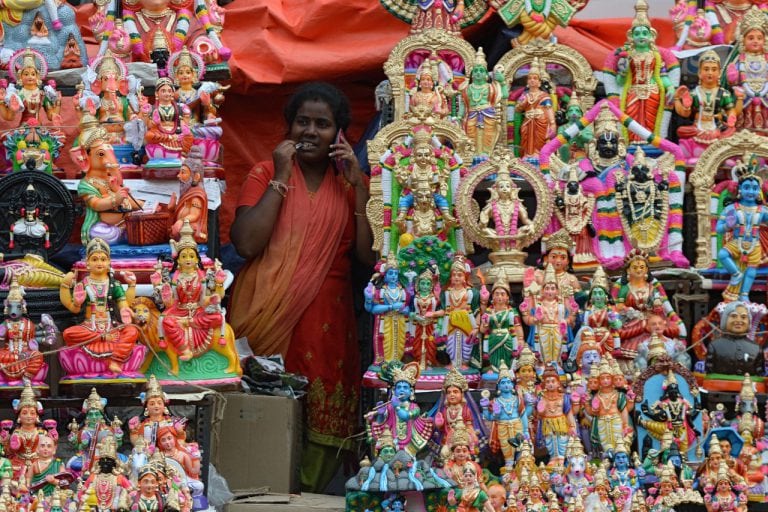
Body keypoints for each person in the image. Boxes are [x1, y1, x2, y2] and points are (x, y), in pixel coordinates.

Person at [229, 82, 374, 492]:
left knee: (320, 426)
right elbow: (246, 243)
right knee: (266, 414)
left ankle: (308, 495)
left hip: (329, 320)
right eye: (302, 122)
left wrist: (360, 187)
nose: (310, 131)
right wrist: (280, 176)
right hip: (265, 317)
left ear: (339, 135)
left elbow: (367, 256)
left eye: (323, 124)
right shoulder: (263, 172)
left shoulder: (349, 185)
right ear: (289, 127)